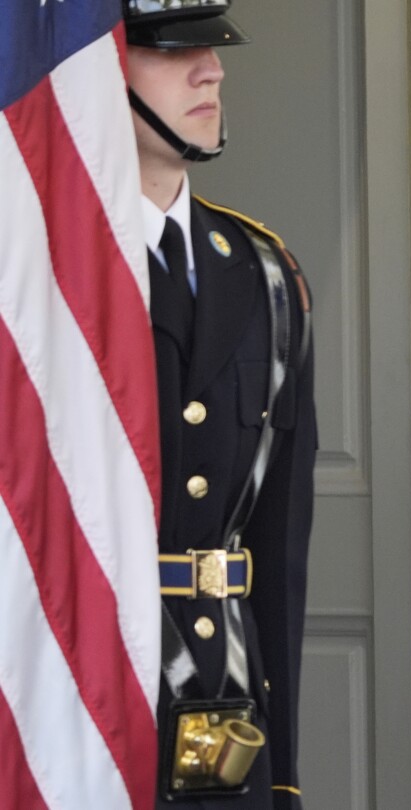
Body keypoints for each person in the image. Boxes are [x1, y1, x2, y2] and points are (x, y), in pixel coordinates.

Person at [124, 1, 316, 806]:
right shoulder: (36, 273)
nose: (213, 70)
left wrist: (283, 775)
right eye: (175, 52)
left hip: (224, 708)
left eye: (211, 48)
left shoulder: (267, 273)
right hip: (86, 703)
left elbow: (278, 545)